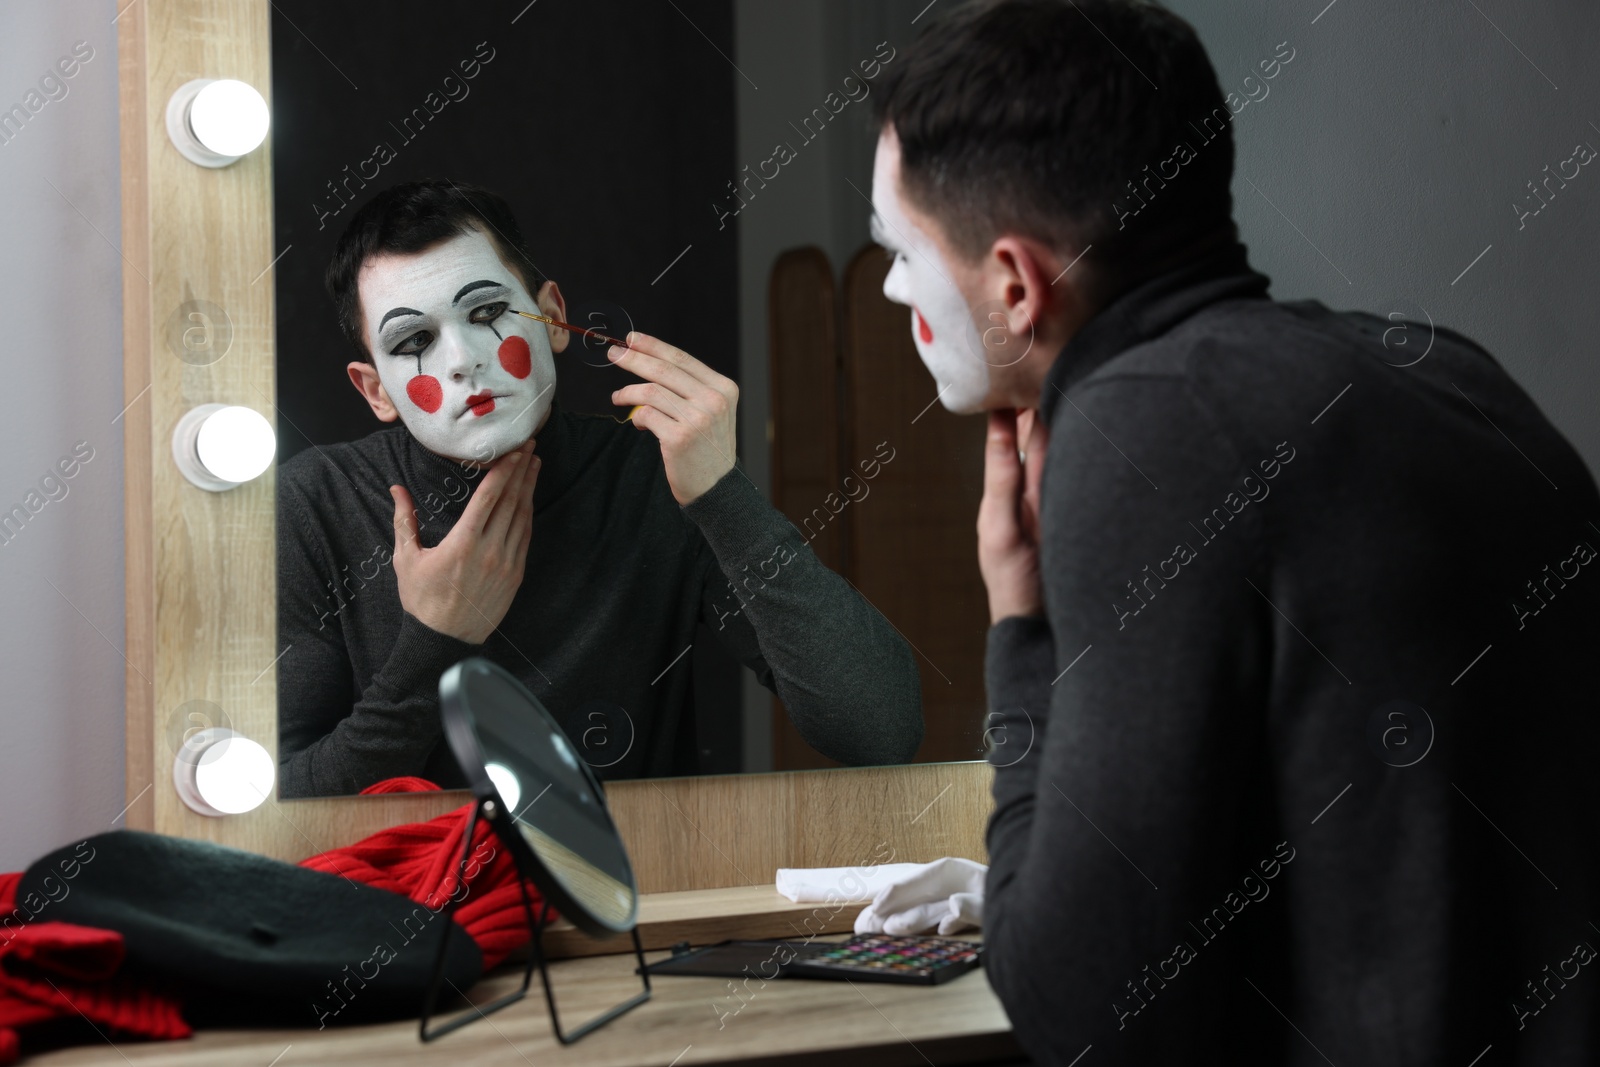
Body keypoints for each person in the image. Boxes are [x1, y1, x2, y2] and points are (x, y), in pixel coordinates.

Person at [870, 1, 1600, 1062]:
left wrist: (1019, 627)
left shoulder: (1145, 425)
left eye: (899, 250)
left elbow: (1086, 1013)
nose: (890, 285)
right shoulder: (1443, 367)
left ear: (1017, 284)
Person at [276, 180, 922, 797]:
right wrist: (434, 640)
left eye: (488, 310)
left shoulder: (650, 475)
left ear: (554, 319)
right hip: (404, 907)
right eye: (414, 339)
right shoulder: (314, 506)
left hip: (634, 902)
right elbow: (281, 811)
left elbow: (881, 729)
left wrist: (723, 494)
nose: (462, 359)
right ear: (376, 389)